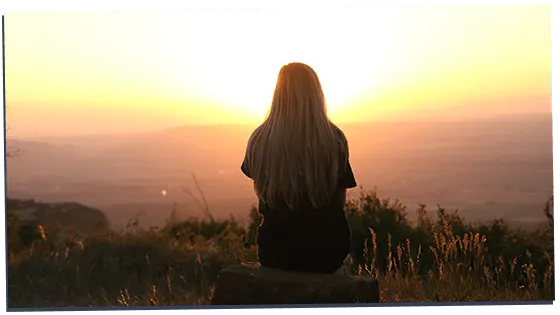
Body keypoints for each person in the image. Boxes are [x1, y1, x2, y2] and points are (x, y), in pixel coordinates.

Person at [240, 62, 357, 274]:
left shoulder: (259, 139)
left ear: (278, 93)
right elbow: (338, 203)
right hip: (328, 252)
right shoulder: (335, 139)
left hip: (275, 251)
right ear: (316, 94)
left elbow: (262, 192)